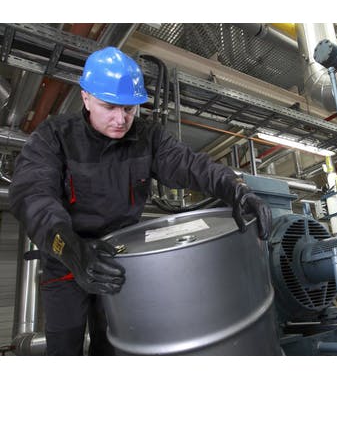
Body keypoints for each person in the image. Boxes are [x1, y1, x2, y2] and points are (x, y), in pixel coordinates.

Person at [8, 46, 272, 356]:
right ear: (86, 98)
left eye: (129, 109)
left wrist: (236, 188)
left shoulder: (148, 137)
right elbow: (33, 196)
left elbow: (191, 165)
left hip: (120, 260)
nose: (121, 119)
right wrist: (71, 249)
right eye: (109, 107)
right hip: (68, 258)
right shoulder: (53, 137)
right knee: (64, 348)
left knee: (115, 345)